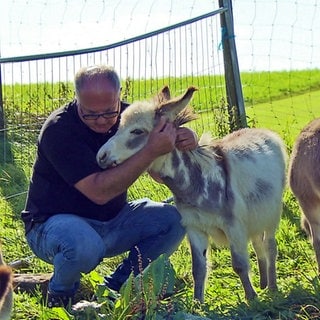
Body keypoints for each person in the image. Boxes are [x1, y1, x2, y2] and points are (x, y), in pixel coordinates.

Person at [21, 65, 198, 308]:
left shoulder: (131, 119)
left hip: (113, 221)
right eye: (90, 114)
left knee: (174, 220)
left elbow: (159, 173)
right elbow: (99, 192)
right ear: (77, 99)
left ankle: (115, 290)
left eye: (109, 112)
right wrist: (150, 151)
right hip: (53, 226)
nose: (102, 120)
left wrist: (180, 140)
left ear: (119, 96)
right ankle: (60, 293)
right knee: (83, 245)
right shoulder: (59, 130)